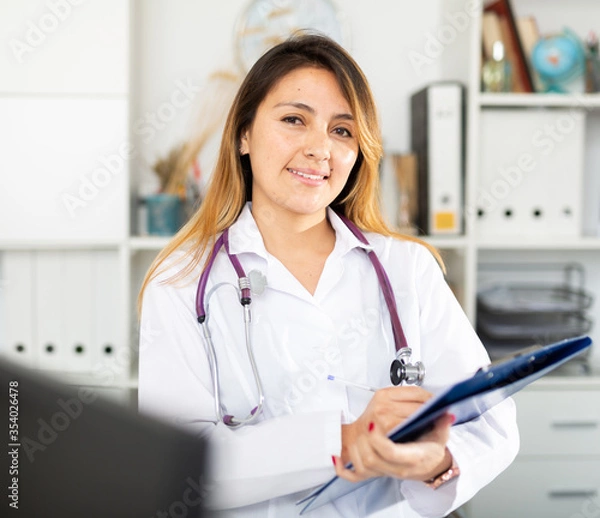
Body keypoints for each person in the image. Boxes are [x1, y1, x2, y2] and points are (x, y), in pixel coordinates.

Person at [137, 33, 519, 517]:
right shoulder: (182, 281)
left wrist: (436, 461)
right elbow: (177, 465)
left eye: (342, 131)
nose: (320, 149)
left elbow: (491, 419)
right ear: (244, 134)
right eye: (294, 120)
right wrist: (345, 440)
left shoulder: (407, 268)